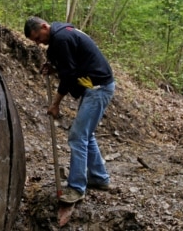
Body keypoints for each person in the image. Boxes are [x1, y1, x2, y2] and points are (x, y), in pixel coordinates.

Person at [24, 16, 115, 204]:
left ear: (43, 26)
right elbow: (71, 66)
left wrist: (56, 103)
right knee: (86, 135)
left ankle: (76, 188)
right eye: (35, 42)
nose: (39, 43)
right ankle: (99, 178)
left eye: (38, 38)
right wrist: (53, 68)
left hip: (98, 88)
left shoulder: (62, 38)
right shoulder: (63, 35)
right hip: (95, 86)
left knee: (77, 136)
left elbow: (69, 75)